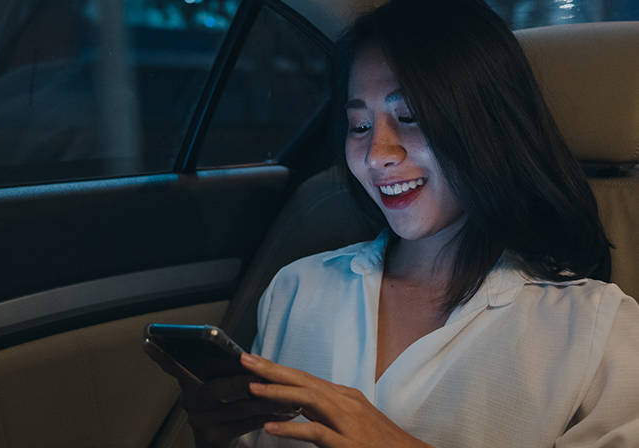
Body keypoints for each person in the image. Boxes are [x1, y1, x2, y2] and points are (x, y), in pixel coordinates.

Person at [145, 0, 639, 446]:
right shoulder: (298, 290)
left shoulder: (596, 331)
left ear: (490, 123)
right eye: (359, 126)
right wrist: (214, 439)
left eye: (411, 116)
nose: (377, 154)